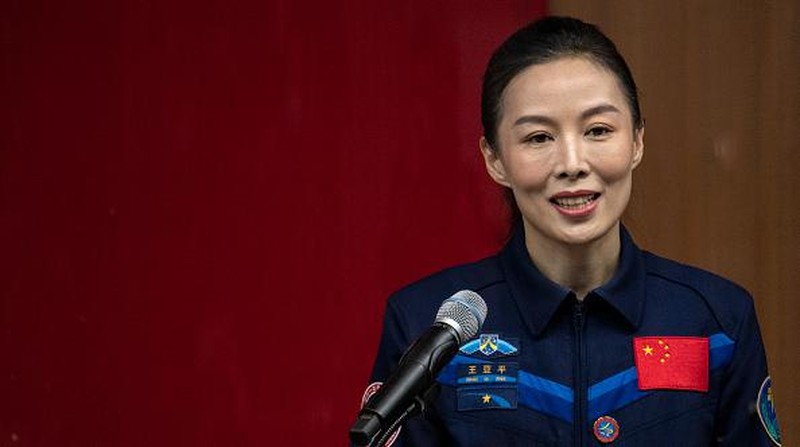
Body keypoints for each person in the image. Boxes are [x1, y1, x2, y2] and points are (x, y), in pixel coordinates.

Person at [362, 16, 781, 446]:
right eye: (539, 138)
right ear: (494, 158)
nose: (572, 163)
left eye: (598, 130)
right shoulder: (427, 323)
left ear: (636, 140)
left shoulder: (717, 321)